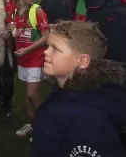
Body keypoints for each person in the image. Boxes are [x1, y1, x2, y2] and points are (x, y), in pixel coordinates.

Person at [33, 20, 126, 157]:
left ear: (83, 61)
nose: (46, 52)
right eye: (48, 46)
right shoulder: (106, 92)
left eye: (55, 48)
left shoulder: (81, 119)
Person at [6, 0, 49, 142]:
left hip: (35, 58)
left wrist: (27, 50)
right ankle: (32, 125)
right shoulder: (16, 11)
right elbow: (21, 34)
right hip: (22, 59)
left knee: (32, 95)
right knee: (27, 95)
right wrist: (13, 30)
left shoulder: (37, 11)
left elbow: (46, 36)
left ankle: (45, 124)